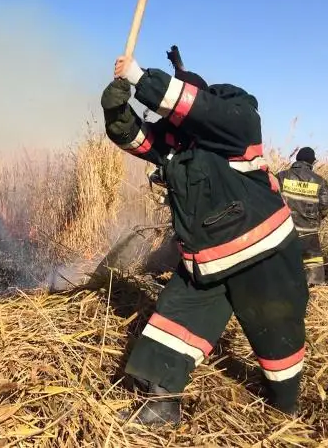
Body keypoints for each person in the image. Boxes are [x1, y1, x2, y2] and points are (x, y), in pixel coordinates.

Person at [101, 47, 308, 425]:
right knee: (172, 323)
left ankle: (285, 408)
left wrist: (140, 76)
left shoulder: (236, 122)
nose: (171, 126)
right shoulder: (179, 147)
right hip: (207, 259)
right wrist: (117, 114)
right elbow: (142, 141)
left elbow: (197, 109)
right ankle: (163, 402)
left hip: (263, 253)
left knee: (278, 337)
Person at [276, 147, 328, 286]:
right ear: (311, 162)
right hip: (309, 230)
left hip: (285, 229)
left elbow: (271, 199)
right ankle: (314, 288)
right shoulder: (319, 181)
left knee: (284, 261)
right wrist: (316, 219)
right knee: (312, 261)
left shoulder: (281, 176)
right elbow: (326, 205)